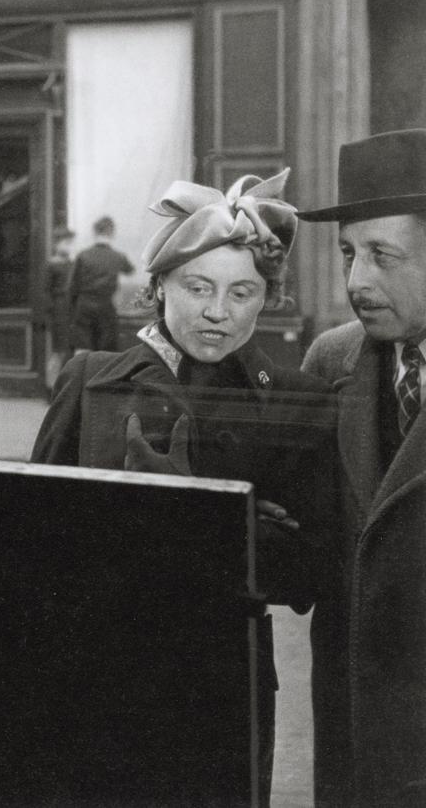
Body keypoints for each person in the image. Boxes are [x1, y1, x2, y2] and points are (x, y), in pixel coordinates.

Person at [32, 170, 337, 805]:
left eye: (243, 292)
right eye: (198, 287)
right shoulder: (91, 382)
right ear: (157, 287)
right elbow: (34, 541)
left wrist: (194, 513)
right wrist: (244, 520)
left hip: (221, 684)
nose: (218, 313)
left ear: (267, 300)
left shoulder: (297, 402)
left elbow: (309, 574)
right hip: (92, 674)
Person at [298, 128, 426, 808]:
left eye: (383, 255)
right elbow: (307, 544)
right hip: (354, 733)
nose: (356, 282)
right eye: (349, 253)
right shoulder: (331, 361)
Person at [68, 215, 134, 351]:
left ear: (94, 232)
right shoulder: (118, 256)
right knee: (106, 351)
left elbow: (72, 286)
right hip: (106, 307)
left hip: (84, 306)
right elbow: (130, 270)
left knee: (82, 348)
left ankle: (82, 372)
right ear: (112, 233)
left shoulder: (83, 255)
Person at [44, 227, 78, 390]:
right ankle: (51, 386)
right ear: (56, 244)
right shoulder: (52, 265)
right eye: (66, 243)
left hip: (71, 311)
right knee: (58, 350)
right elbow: (46, 292)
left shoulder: (72, 264)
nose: (69, 246)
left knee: (68, 350)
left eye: (70, 243)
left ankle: (62, 387)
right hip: (59, 311)